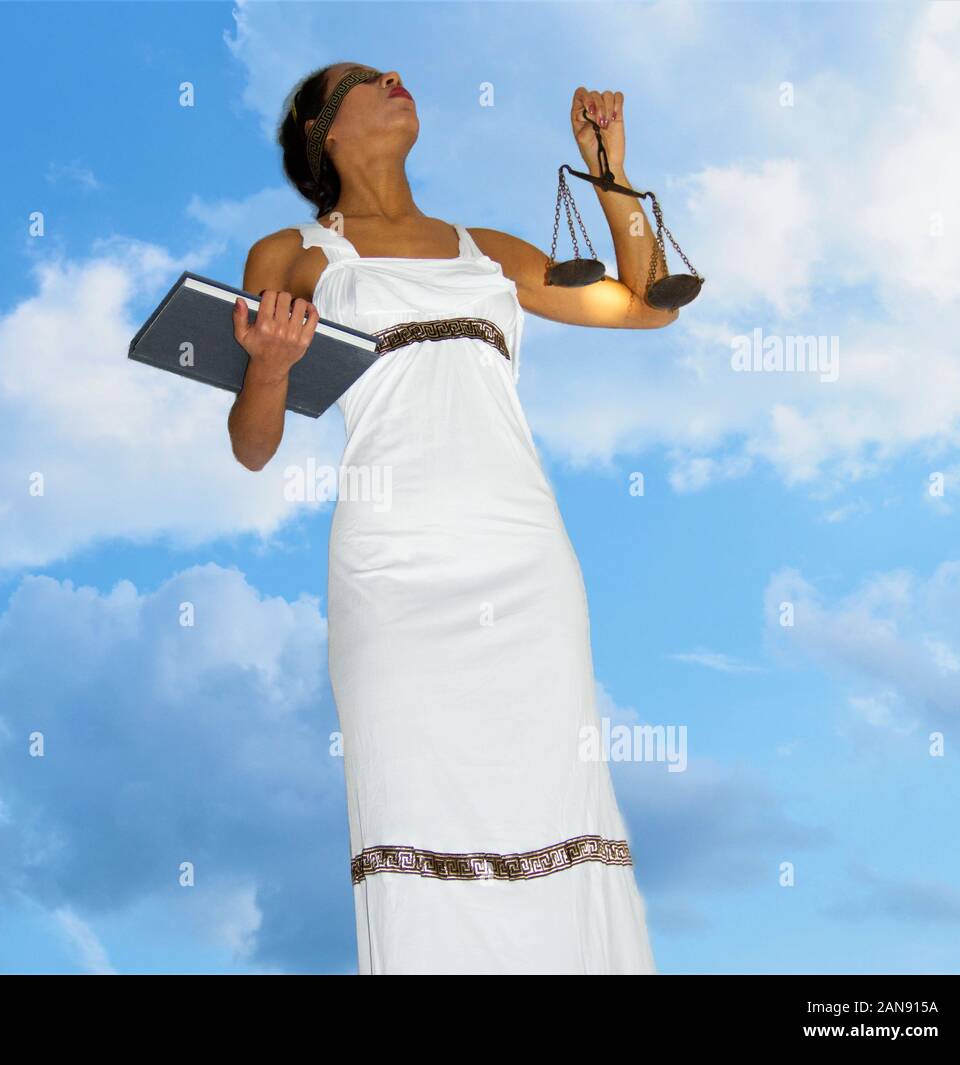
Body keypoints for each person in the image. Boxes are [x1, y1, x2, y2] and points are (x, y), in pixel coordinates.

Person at [227, 62, 674, 975]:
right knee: (410, 811)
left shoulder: (489, 251)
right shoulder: (291, 255)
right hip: (393, 571)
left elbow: (643, 306)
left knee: (556, 799)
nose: (397, 79)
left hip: (524, 562)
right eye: (363, 82)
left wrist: (610, 175)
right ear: (325, 134)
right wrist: (268, 365)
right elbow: (252, 445)